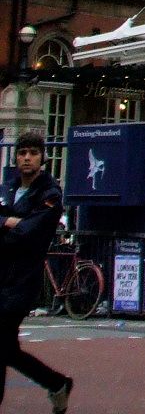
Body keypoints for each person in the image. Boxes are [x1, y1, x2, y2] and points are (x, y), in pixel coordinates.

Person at [0, 131, 72, 411]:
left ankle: (56, 383)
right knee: (6, 348)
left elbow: (30, 233)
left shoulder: (50, 193)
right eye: (22, 153)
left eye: (32, 153)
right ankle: (56, 384)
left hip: (22, 281)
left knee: (1, 347)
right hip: (1, 275)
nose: (26, 158)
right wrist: (12, 222)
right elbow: (18, 227)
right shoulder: (8, 187)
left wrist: (6, 225)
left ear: (42, 157)